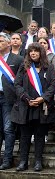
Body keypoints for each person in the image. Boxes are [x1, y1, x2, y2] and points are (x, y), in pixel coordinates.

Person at [12, 42, 55, 172]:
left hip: (41, 106)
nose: (33, 53)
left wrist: (43, 98)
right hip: (26, 106)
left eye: (36, 51)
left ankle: (38, 161)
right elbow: (17, 84)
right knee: (24, 136)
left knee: (39, 135)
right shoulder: (24, 66)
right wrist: (27, 98)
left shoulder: (49, 67)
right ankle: (23, 162)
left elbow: (53, 84)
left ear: (41, 52)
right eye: (31, 51)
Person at [0, 32, 23, 170]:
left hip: (9, 99)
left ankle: (7, 159)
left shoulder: (18, 59)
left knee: (8, 129)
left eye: (1, 41)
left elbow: (20, 82)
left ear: (9, 43)